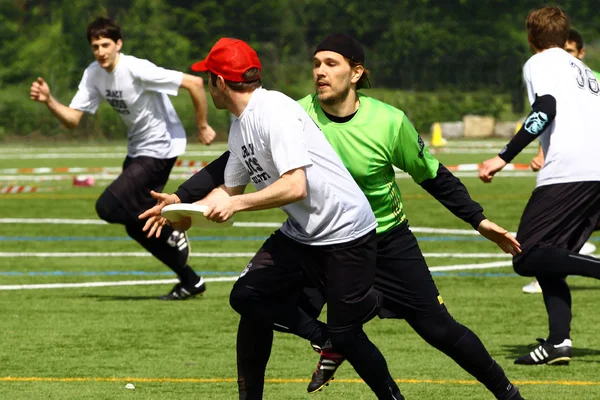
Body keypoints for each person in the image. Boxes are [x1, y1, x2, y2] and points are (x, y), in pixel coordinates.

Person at [141, 35, 524, 400]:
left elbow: (432, 176)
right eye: (316, 63)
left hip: (378, 238)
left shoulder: (384, 121)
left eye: (331, 63)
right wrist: (182, 203)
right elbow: (235, 165)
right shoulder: (294, 110)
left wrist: (479, 220)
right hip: (312, 235)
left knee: (436, 329)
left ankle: (506, 393)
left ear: (356, 72)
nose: (320, 71)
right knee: (253, 300)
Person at [147, 37, 405, 399]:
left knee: (348, 336)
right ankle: (321, 342)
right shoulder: (241, 125)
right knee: (248, 297)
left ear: (219, 83)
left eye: (208, 78)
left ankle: (361, 365)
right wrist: (183, 212)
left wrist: (236, 206)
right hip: (303, 233)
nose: (208, 86)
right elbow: (229, 189)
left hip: (346, 232)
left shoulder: (274, 111)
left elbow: (295, 186)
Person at [29, 17, 217, 300]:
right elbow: (72, 120)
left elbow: (195, 83)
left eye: (106, 44)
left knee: (107, 207)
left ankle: (171, 229)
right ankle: (190, 280)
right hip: (137, 150)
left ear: (118, 44)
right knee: (135, 224)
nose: (100, 51)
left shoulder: (136, 69)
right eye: (95, 46)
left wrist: (202, 125)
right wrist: (49, 101)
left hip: (161, 148)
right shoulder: (94, 74)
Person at [479, 6, 600, 366]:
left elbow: (544, 109)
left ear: (531, 38)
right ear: (566, 38)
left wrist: (503, 156)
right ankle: (558, 342)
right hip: (593, 172)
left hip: (569, 173)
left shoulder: (541, 62)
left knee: (526, 252)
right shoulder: (587, 73)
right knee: (549, 258)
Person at [523, 28, 598, 294]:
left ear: (580, 54)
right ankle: (559, 336)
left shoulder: (591, 80)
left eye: (568, 52)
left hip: (581, 173)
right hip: (581, 171)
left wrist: (503, 156)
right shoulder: (558, 78)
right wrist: (543, 153)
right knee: (550, 248)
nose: (561, 56)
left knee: (533, 249)